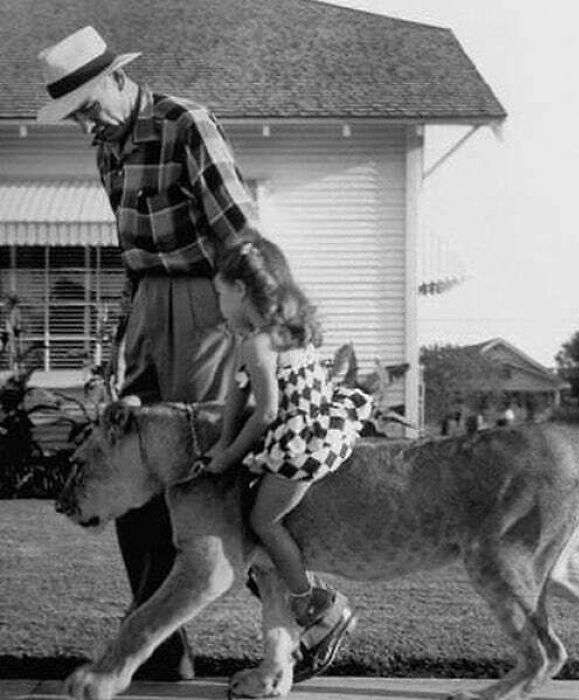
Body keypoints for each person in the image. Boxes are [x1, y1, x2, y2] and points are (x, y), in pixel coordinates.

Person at [36, 26, 258, 679]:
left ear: (115, 78)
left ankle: (313, 611)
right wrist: (119, 341)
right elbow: (133, 259)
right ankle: (158, 647)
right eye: (71, 113)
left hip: (205, 302)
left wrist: (255, 328)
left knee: (195, 475)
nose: (83, 123)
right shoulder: (108, 146)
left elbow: (241, 234)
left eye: (85, 105)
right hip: (147, 310)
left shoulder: (186, 123)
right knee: (125, 467)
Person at [202, 236, 372, 630]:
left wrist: (227, 456)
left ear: (241, 290)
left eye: (221, 294)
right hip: (322, 428)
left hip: (302, 446)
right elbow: (236, 394)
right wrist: (225, 441)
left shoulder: (258, 344)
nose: (219, 306)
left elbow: (266, 412)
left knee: (264, 521)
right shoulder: (288, 332)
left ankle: (312, 601)